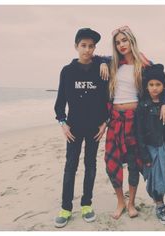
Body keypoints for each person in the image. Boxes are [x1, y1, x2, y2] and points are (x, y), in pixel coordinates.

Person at [102, 26, 165, 219]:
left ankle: (131, 203)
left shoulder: (143, 64)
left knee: (134, 163)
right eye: (117, 42)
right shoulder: (112, 64)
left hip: (135, 119)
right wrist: (102, 62)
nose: (121, 45)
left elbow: (163, 84)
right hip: (115, 119)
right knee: (111, 162)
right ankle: (120, 202)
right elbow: (91, 59)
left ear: (131, 41)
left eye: (124, 40)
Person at [54, 28, 108, 228]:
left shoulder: (101, 70)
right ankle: (66, 207)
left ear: (95, 48)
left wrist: (105, 122)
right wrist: (62, 123)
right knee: (71, 166)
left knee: (91, 165)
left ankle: (86, 204)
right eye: (83, 45)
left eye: (91, 46)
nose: (87, 49)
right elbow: (60, 103)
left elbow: (106, 100)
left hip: (95, 127)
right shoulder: (67, 71)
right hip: (74, 128)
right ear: (76, 46)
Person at [136, 64, 165, 225]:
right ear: (146, 86)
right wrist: (145, 155)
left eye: (158, 84)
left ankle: (161, 201)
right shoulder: (143, 106)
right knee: (156, 179)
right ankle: (159, 206)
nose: (154, 88)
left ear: (164, 86)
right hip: (152, 149)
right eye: (151, 84)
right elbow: (139, 133)